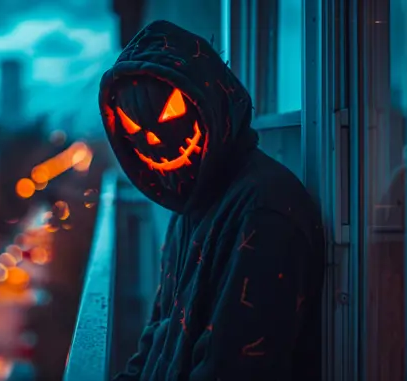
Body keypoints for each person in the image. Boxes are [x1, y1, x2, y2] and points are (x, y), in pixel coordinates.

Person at [98, 20, 325, 380]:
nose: (153, 140)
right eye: (133, 127)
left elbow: (234, 367)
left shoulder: (264, 212)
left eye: (169, 113)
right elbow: (158, 334)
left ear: (211, 101)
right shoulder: (190, 203)